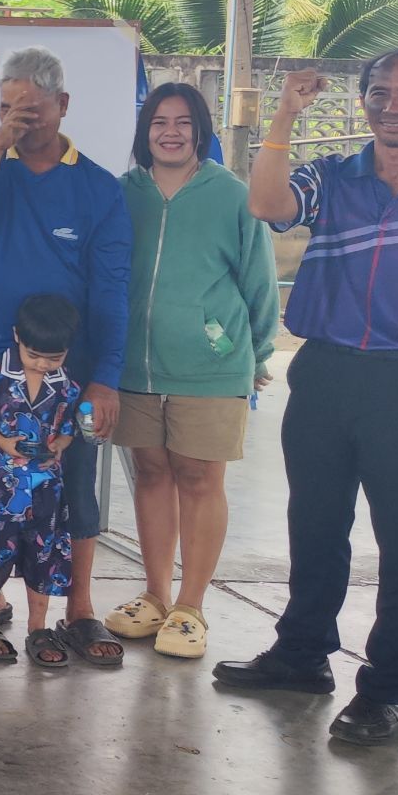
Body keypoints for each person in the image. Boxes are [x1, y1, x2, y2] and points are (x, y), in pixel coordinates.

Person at [218, 53, 398, 746]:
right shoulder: (332, 177)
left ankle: (387, 691)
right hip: (325, 373)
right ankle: (302, 654)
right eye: (378, 92)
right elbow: (266, 204)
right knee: (314, 522)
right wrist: (285, 114)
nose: (391, 105)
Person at [0, 46, 130, 666]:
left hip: (64, 376)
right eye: (6, 109)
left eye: (31, 110)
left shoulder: (98, 188)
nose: (19, 121)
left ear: (63, 105)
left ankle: (78, 608)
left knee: (71, 486)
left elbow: (113, 289)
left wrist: (105, 378)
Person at [104, 83, 279, 661]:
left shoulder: (232, 195)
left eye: (183, 122)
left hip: (212, 365)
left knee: (200, 479)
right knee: (151, 473)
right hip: (134, 366)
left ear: (200, 131)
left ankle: (190, 608)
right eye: (159, 122)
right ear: (145, 131)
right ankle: (155, 595)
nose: (171, 132)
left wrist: (255, 353)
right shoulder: (122, 193)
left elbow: (259, 281)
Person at [0, 294, 83, 670]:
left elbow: (69, 427)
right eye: (34, 355)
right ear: (17, 337)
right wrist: (4, 442)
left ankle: (38, 628)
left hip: (44, 488)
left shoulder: (66, 385)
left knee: (43, 553)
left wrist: (61, 444)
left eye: (53, 358)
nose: (43, 364)